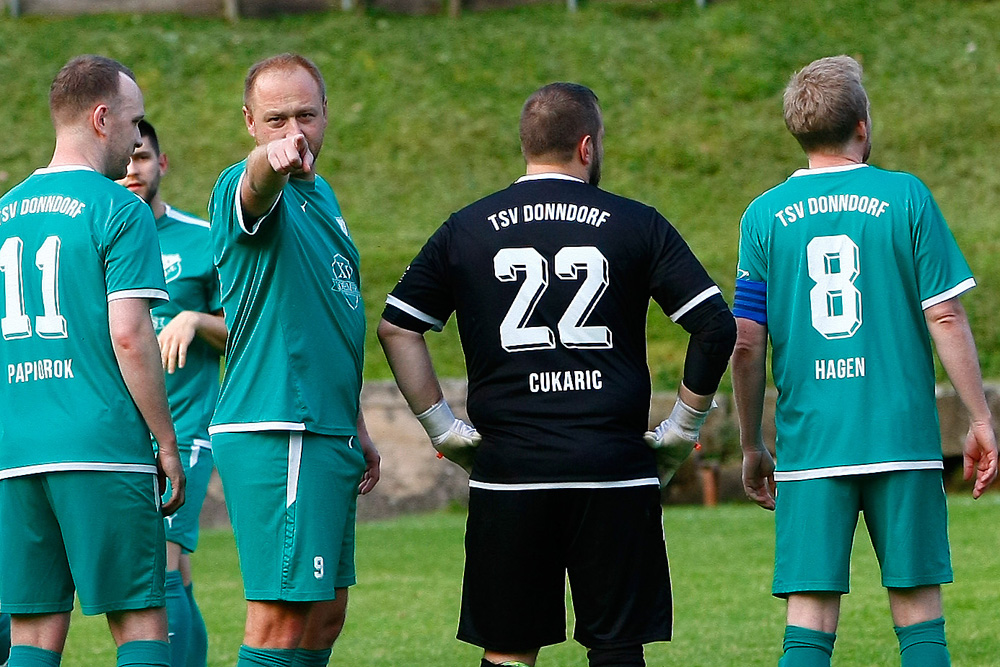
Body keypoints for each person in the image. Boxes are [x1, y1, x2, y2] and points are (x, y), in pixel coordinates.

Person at [378, 82, 736, 667]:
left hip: (511, 473)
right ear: (587, 146)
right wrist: (681, 429)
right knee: (617, 649)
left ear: (526, 144)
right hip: (613, 469)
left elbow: (398, 326)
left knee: (510, 650)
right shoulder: (636, 223)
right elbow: (715, 327)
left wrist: (443, 430)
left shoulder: (466, 228)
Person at [731, 55, 998, 667]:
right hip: (900, 435)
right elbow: (947, 316)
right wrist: (979, 417)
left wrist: (751, 443)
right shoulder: (906, 196)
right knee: (918, 609)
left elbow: (746, 340)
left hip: (812, 442)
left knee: (810, 613)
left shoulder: (764, 215)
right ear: (862, 123)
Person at [0, 55, 185, 667]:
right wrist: (165, 441)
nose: (138, 140)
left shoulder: (4, 213)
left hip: (16, 455)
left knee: (31, 631)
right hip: (101, 447)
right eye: (135, 124)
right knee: (139, 617)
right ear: (102, 118)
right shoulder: (119, 210)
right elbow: (130, 336)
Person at [207, 53, 380, 667]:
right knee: (280, 619)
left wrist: (355, 425)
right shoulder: (244, 186)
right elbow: (255, 187)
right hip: (280, 426)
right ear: (250, 122)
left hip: (327, 429)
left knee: (324, 615)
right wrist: (267, 164)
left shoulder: (324, 196)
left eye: (306, 115)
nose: (294, 133)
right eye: (276, 119)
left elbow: (332, 321)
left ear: (327, 113)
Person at [118, 120, 227, 667]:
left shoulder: (204, 238)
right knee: (174, 573)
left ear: (163, 164)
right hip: (115, 432)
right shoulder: (100, 234)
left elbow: (245, 329)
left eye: (143, 157)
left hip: (184, 427)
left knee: (158, 568)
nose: (133, 169)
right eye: (126, 158)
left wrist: (194, 320)